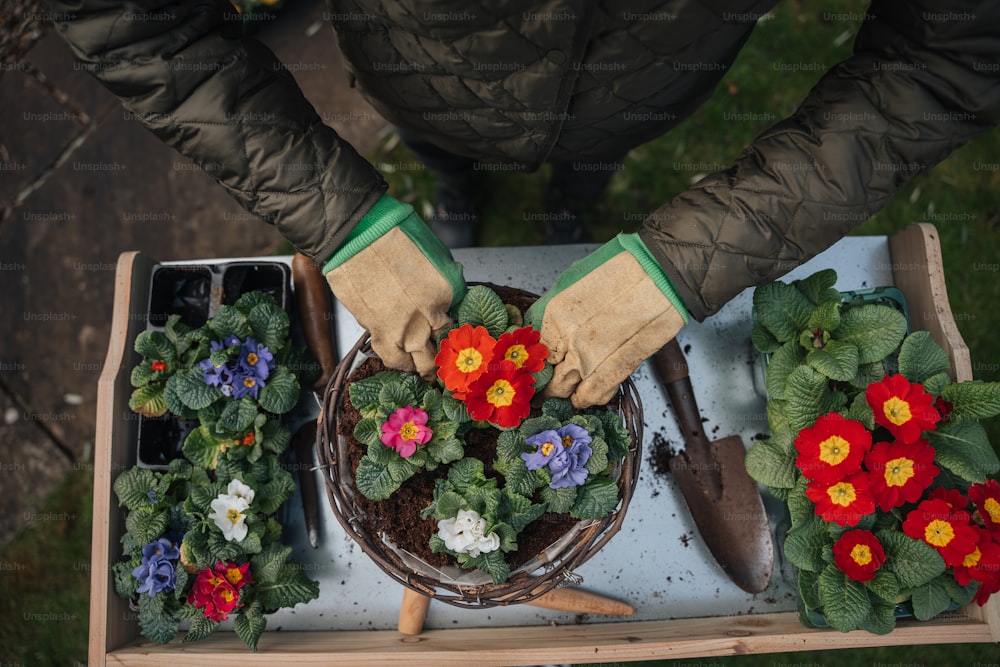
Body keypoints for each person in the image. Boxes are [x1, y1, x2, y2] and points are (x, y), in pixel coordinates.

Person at [45, 0, 1000, 409]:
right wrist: (340, 213)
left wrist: (692, 257)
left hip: (644, 96)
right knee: (440, 152)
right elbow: (126, 20)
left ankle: (568, 207)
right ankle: (453, 190)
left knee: (587, 171)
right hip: (416, 81)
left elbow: (951, 51)